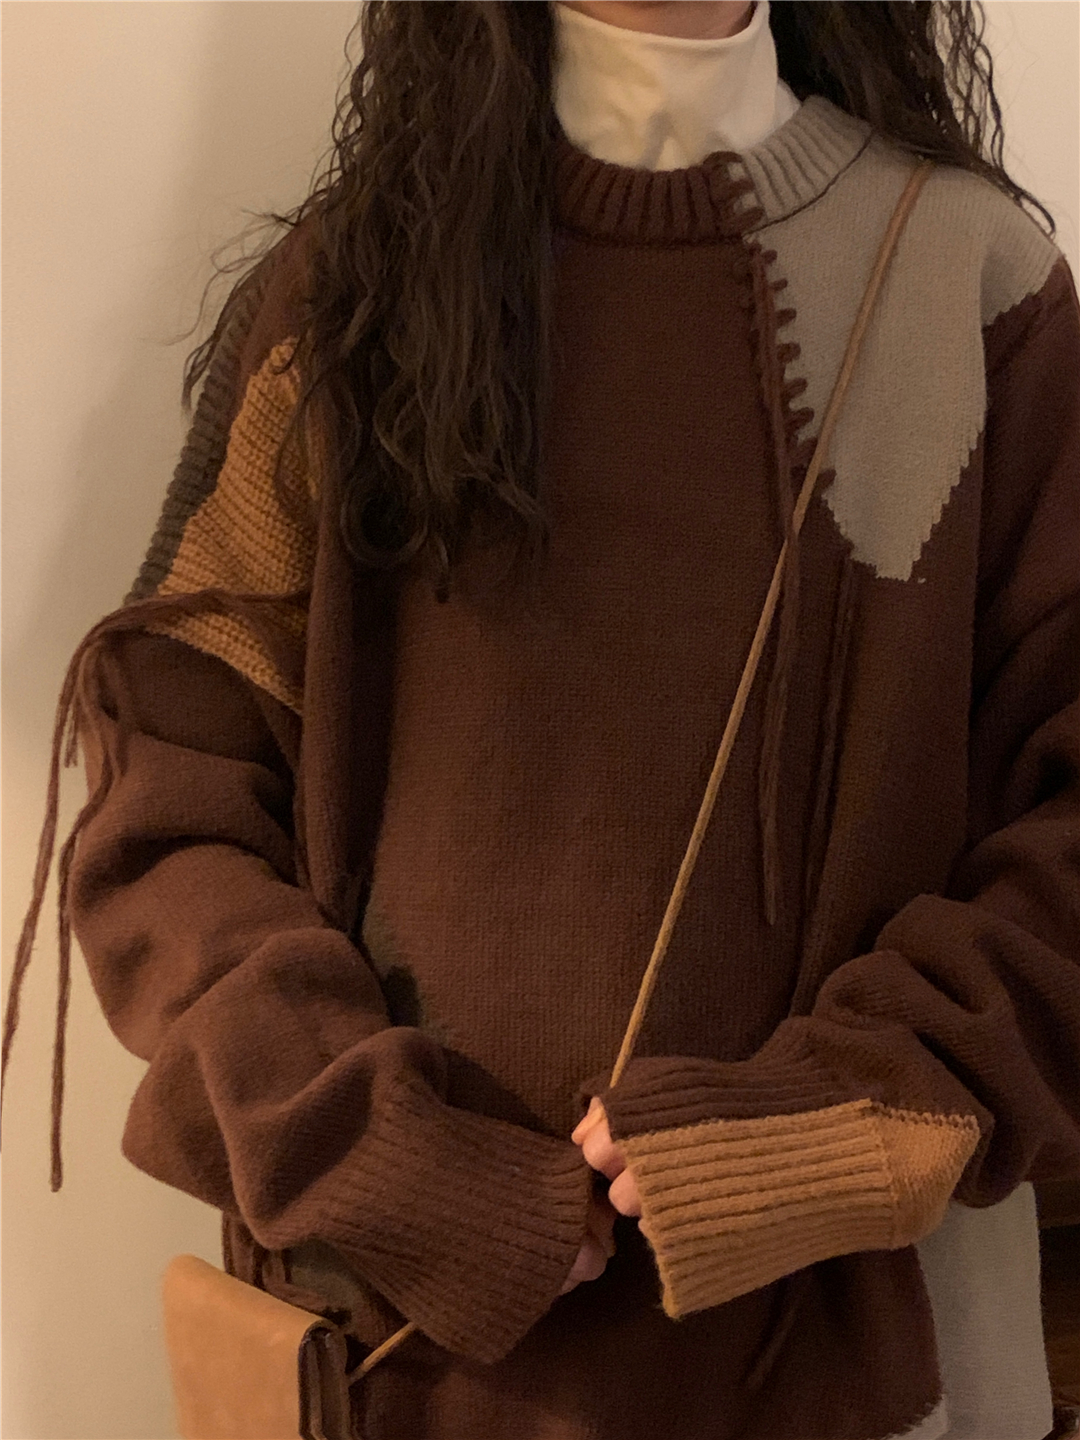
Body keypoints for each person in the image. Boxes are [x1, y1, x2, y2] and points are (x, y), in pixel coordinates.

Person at [3, 1, 1079, 1437]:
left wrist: (821, 1132)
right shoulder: (351, 293)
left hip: (869, 1380)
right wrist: (389, 1162)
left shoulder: (973, 287)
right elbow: (164, 815)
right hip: (405, 1374)